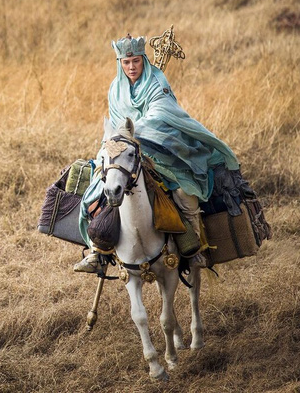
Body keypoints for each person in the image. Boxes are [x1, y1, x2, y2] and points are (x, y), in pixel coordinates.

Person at [73, 34, 240, 273]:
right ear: (120, 63)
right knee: (97, 190)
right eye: (126, 62)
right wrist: (117, 141)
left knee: (184, 193)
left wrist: (134, 133)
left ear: (143, 60)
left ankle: (196, 248)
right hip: (122, 149)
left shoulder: (157, 82)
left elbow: (162, 116)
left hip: (160, 151)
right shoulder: (115, 88)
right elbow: (114, 124)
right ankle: (96, 251)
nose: (131, 67)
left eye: (136, 62)